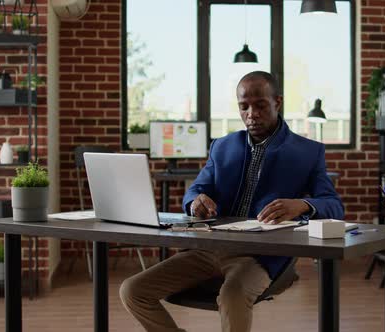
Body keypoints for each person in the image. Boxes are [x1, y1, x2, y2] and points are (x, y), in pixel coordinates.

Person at [119, 71, 344, 332]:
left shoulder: (308, 151)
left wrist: (302, 205)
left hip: (260, 256)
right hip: (208, 248)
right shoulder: (222, 146)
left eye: (260, 105)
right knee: (132, 290)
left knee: (232, 296)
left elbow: (334, 205)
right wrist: (195, 202)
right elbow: (195, 191)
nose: (251, 113)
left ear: (277, 102)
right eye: (243, 106)